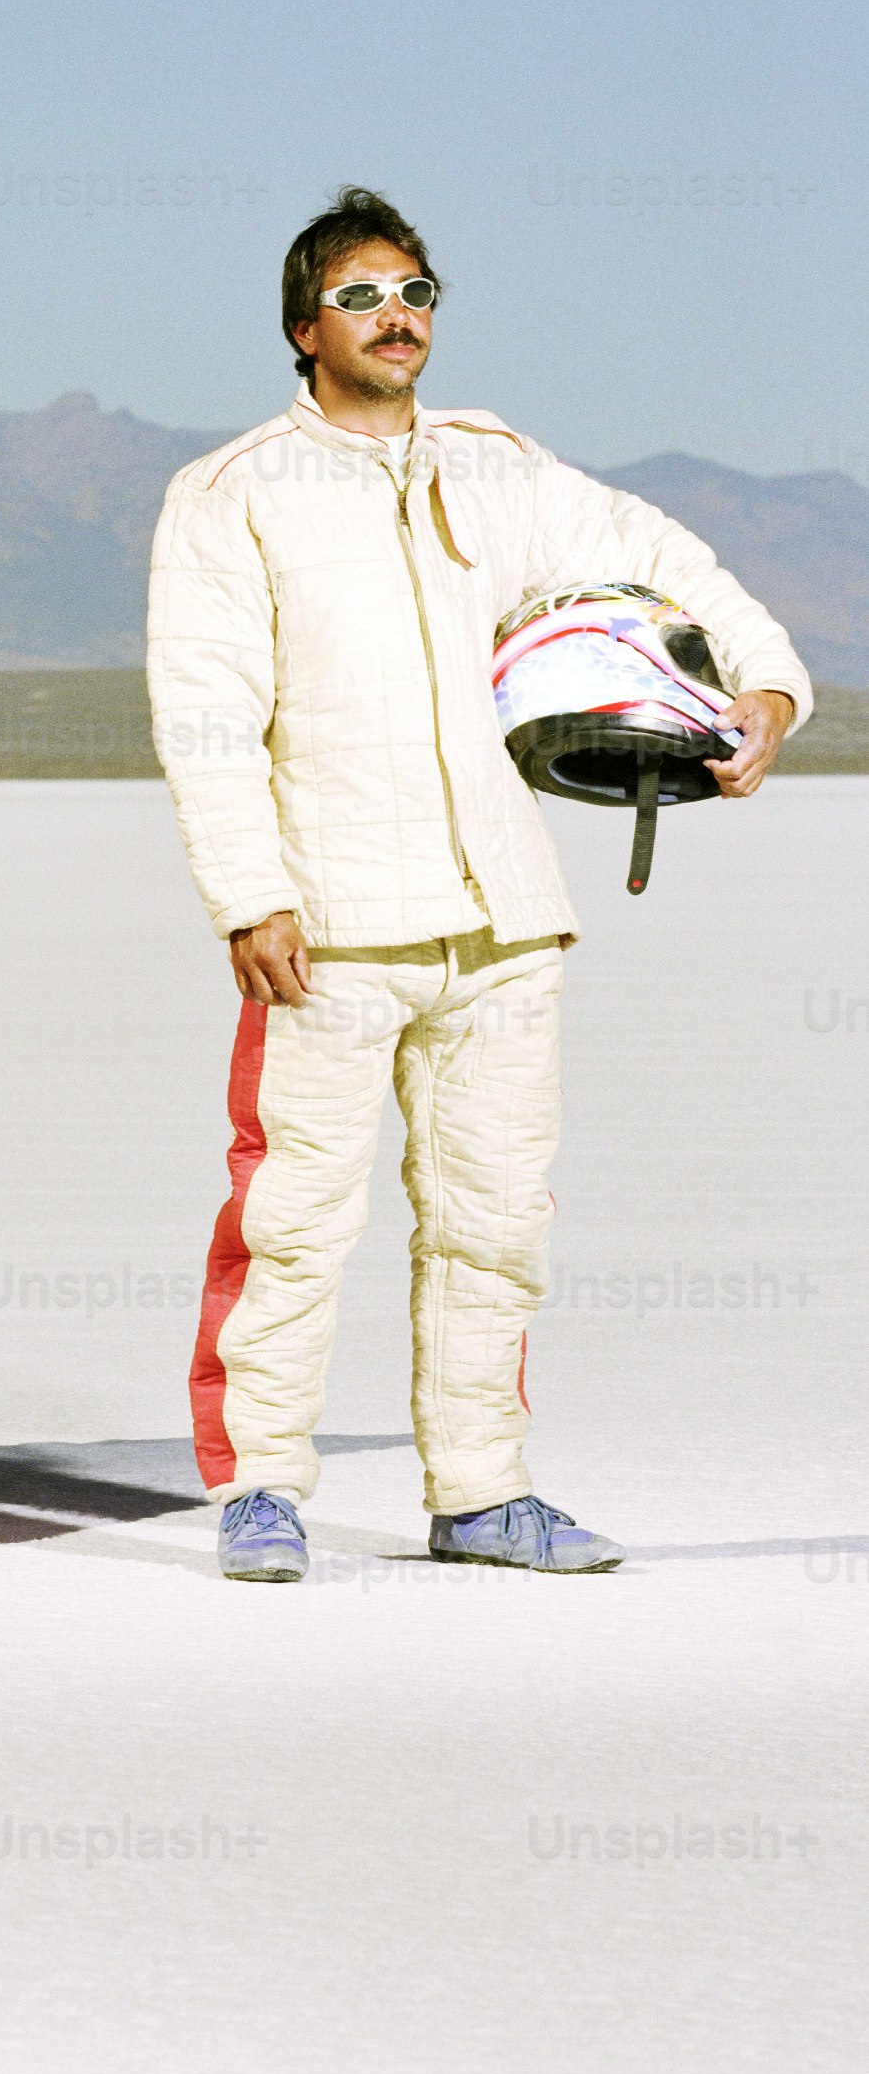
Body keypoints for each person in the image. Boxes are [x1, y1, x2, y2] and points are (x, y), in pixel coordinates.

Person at [143, 188, 810, 1583]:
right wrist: (246, 893)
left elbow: (658, 556)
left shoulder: (499, 467)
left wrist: (764, 684)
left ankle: (483, 1494)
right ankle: (262, 1487)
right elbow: (206, 709)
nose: (399, 316)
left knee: (496, 1221)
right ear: (299, 327)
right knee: (292, 1220)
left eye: (418, 292)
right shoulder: (230, 495)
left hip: (505, 922)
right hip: (329, 925)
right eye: (364, 296)